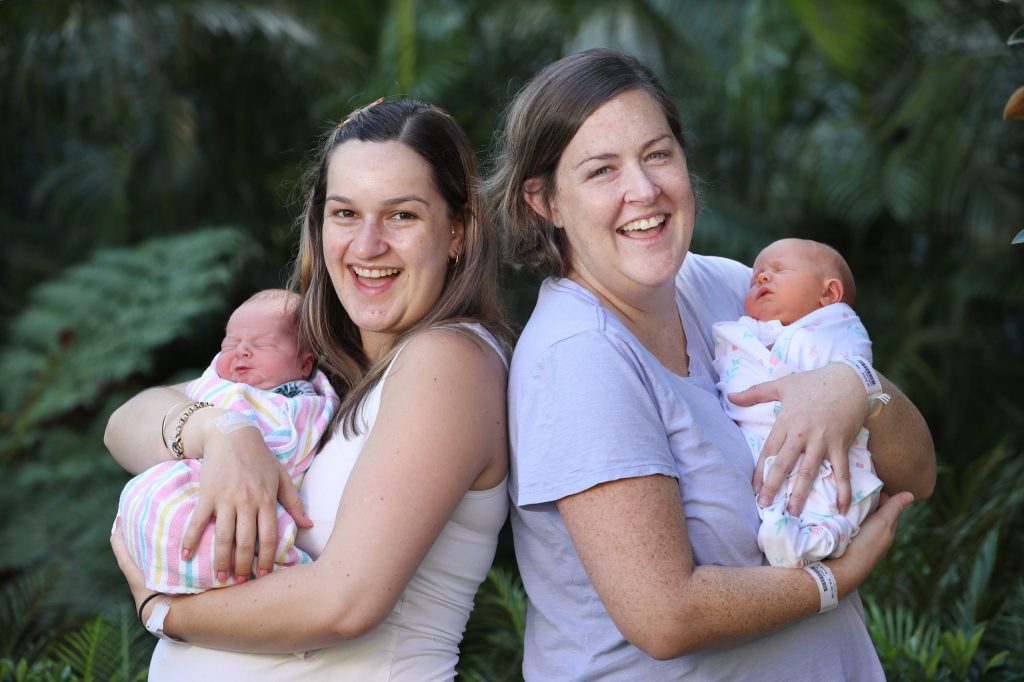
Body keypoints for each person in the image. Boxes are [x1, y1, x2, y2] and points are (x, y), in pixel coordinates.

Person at [487, 48, 936, 680]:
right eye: (602, 170)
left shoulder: (730, 290)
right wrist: (832, 579)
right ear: (545, 202)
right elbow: (666, 616)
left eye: (657, 154)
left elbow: (917, 474)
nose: (643, 190)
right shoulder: (577, 359)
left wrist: (856, 384)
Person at [106, 98, 510, 681]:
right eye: (345, 213)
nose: (367, 245)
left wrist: (162, 611)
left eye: (401, 215)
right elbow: (125, 422)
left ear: (457, 232)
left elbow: (344, 603)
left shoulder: (448, 361)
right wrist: (224, 432)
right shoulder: (316, 369)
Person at [115, 288, 339, 593]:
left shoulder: (298, 404)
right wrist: (215, 430)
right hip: (176, 500)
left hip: (237, 521)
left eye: (262, 344)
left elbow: (288, 449)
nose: (241, 352)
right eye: (230, 344)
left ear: (305, 364)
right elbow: (122, 422)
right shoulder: (215, 385)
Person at [713, 238, 884, 568]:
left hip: (829, 447)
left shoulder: (837, 326)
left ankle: (823, 535)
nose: (762, 277)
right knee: (775, 488)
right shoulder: (747, 331)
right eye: (757, 277)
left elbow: (846, 381)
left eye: (780, 270)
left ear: (828, 294)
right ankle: (785, 531)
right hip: (765, 439)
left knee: (841, 491)